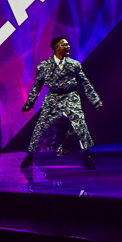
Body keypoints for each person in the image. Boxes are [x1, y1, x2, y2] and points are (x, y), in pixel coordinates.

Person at [21, 37, 103, 170]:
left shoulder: (74, 64)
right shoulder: (44, 66)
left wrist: (95, 101)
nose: (68, 47)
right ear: (57, 47)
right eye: (65, 45)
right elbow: (37, 86)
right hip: (52, 98)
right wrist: (29, 103)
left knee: (81, 125)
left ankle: (87, 156)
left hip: (70, 96)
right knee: (40, 127)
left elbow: (85, 82)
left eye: (68, 44)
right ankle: (29, 156)